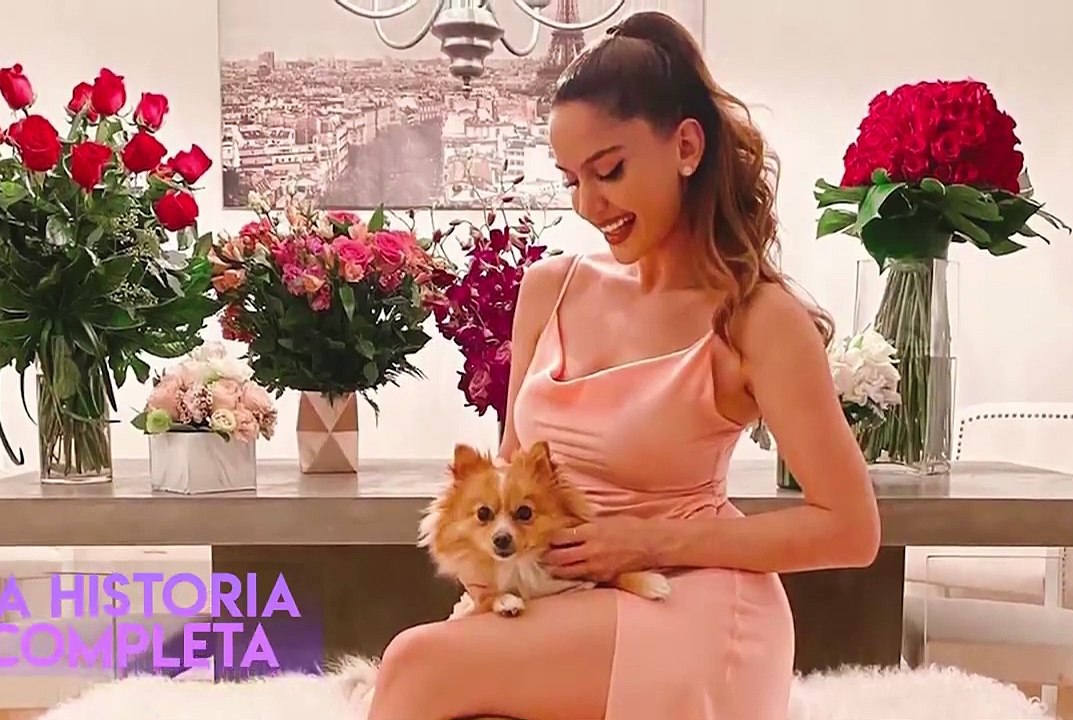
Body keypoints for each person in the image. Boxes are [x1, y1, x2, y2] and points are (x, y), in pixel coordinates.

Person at [366, 10, 881, 720]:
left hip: (688, 603)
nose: (589, 204)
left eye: (609, 171)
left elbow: (850, 529)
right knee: (435, 678)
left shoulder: (758, 320)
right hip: (563, 593)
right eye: (572, 180)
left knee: (413, 665)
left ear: (687, 147)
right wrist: (488, 578)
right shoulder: (550, 288)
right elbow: (513, 470)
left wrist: (646, 541)